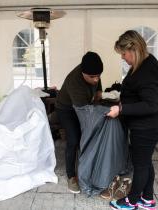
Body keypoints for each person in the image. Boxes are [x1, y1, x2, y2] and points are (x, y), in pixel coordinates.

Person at [107, 30, 158, 210]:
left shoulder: (148, 71)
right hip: (148, 124)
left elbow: (151, 105)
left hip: (148, 126)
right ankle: (148, 199)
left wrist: (121, 109)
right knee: (145, 161)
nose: (123, 58)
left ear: (133, 49)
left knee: (140, 164)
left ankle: (132, 201)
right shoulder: (144, 64)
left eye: (124, 54)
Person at [55, 51, 103, 193]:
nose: (96, 79)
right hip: (66, 109)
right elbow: (83, 114)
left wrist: (99, 91)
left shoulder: (93, 71)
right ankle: (71, 176)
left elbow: (96, 81)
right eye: (92, 77)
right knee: (74, 139)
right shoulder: (74, 82)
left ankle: (90, 167)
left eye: (99, 75)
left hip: (82, 104)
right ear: (83, 73)